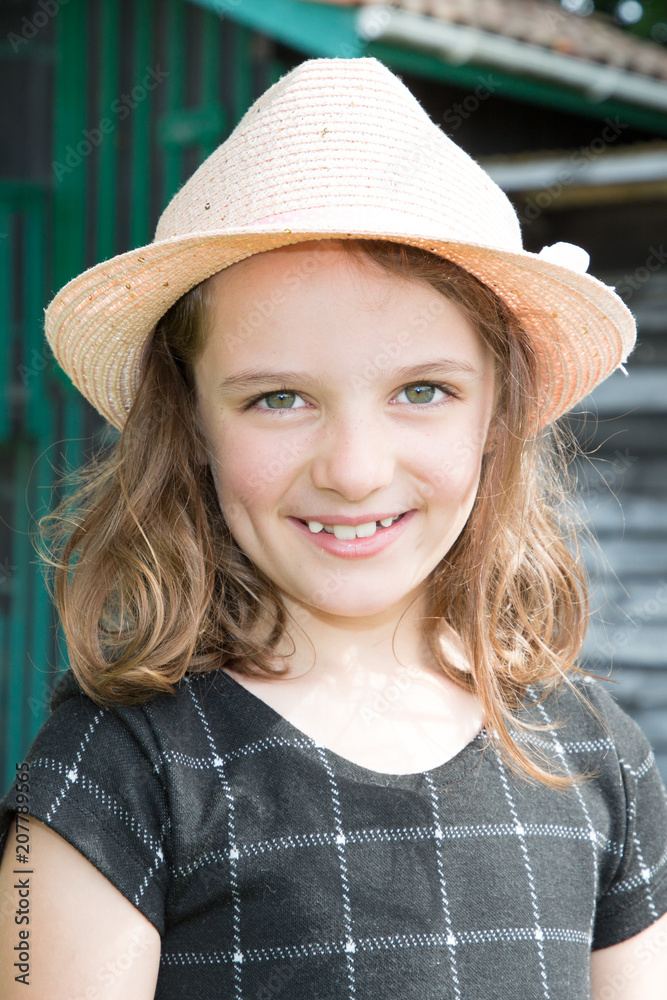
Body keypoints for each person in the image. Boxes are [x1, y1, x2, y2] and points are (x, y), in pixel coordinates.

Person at [0, 55, 665, 1000]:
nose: (353, 469)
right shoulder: (113, 774)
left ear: (496, 413)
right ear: (190, 424)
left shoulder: (596, 755)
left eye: (422, 391)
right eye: (278, 398)